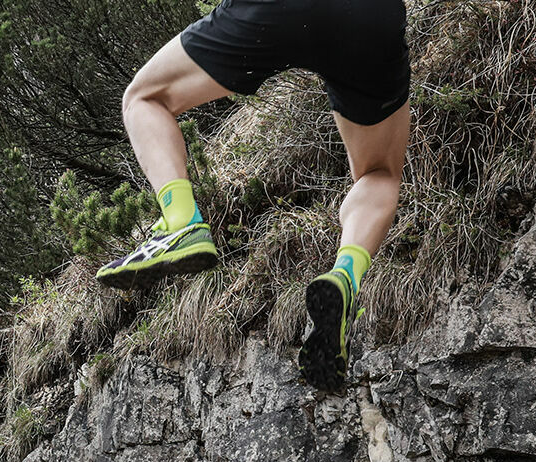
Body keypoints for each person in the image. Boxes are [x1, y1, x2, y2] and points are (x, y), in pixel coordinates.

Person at [97, 0, 411, 391]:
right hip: (370, 16)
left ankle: (180, 222)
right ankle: (344, 276)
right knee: (378, 172)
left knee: (145, 98)